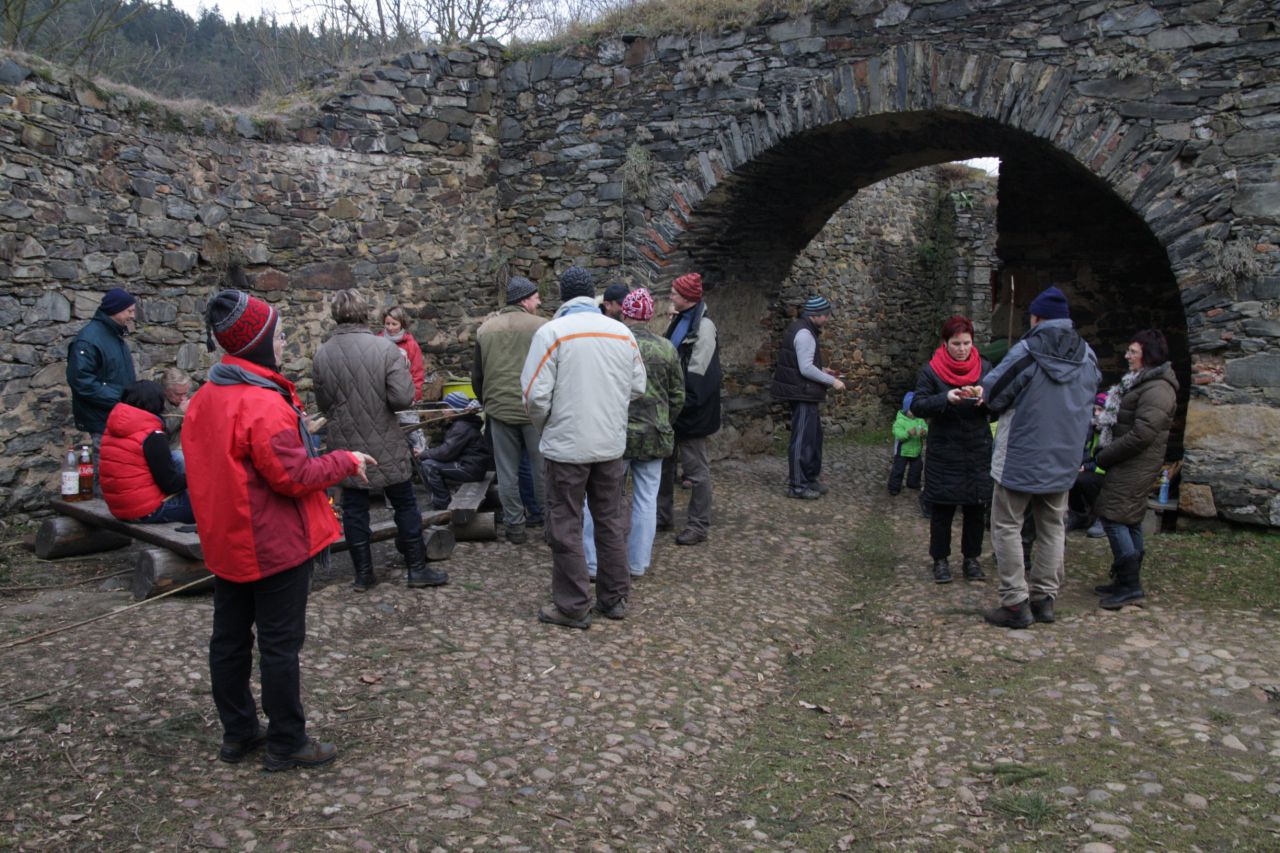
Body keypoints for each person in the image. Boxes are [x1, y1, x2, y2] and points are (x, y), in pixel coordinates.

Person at [185, 280, 375, 772]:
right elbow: (293, 476)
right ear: (257, 342)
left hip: (228, 538)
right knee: (279, 645)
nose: (285, 342)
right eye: (280, 334)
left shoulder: (206, 396)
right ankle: (287, 741)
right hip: (270, 542)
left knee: (229, 640)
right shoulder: (261, 402)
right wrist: (344, 460)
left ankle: (238, 732)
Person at [522, 266, 646, 629]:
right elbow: (637, 386)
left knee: (565, 522)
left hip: (566, 448)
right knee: (610, 519)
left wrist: (547, 427)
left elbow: (534, 396)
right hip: (609, 445)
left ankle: (574, 604)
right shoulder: (622, 332)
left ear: (562, 296)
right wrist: (609, 410)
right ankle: (615, 597)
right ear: (592, 295)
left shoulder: (552, 333)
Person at [981, 286, 1100, 628]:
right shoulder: (1088, 356)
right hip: (1064, 458)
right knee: (1052, 527)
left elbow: (993, 392)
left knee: (1007, 526)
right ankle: (1044, 599)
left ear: (1036, 318)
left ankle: (1015, 603)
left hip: (1021, 455)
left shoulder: (1027, 351)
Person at [314, 289, 447, 591]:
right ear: (364, 311)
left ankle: (363, 575)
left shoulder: (323, 353)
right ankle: (416, 569)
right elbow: (402, 398)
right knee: (404, 503)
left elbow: (324, 404)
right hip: (385, 438)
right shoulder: (384, 349)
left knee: (354, 508)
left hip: (346, 441)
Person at [583, 288, 685, 580]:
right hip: (654, 433)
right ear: (650, 315)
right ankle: (637, 563)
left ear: (624, 313)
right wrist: (664, 420)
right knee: (646, 500)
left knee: (600, 498)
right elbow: (678, 395)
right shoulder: (666, 348)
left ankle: (593, 562)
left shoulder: (613, 343)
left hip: (617, 434)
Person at [1091, 329, 1179, 610]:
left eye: (1133, 352)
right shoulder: (1143, 383)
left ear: (1148, 355)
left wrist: (1106, 455)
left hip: (1136, 463)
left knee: (1113, 517)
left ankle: (1130, 585)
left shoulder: (1158, 389)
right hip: (1130, 462)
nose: (1127, 356)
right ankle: (1126, 580)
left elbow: (1143, 434)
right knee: (1128, 519)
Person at [910, 316, 993, 583]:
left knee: (975, 509)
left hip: (977, 448)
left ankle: (971, 559)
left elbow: (1000, 402)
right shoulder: (931, 371)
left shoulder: (985, 368)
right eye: (956, 343)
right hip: (944, 449)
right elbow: (918, 405)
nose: (962, 348)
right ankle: (940, 560)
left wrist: (985, 399)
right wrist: (945, 398)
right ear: (945, 343)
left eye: (966, 343)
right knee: (942, 509)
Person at [473, 276, 547, 544]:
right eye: (536, 298)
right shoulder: (543, 327)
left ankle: (515, 527)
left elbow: (477, 376)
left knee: (507, 473)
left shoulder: (485, 330)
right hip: (535, 410)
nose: (539, 302)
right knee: (543, 471)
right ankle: (551, 526)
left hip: (499, 409)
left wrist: (487, 402)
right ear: (525, 300)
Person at [658, 272, 722, 545]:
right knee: (664, 466)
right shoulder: (681, 319)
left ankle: (698, 525)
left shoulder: (704, 328)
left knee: (696, 471)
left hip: (691, 412)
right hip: (674, 408)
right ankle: (662, 516)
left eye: (675, 292)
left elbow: (699, 375)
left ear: (687, 297)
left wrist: (682, 406)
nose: (670, 296)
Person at [770, 294, 846, 499]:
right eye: (825, 315)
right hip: (802, 393)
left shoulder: (804, 329)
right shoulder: (805, 333)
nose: (827, 318)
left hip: (805, 392)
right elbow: (805, 369)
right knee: (802, 440)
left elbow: (803, 364)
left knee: (813, 438)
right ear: (815, 315)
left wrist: (822, 369)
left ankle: (810, 479)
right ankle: (797, 486)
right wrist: (832, 381)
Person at [66, 287, 137, 481]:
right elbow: (82, 382)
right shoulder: (89, 340)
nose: (133, 316)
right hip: (102, 416)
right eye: (129, 311)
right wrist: (121, 397)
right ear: (115, 310)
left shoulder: (113, 335)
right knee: (105, 469)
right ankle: (100, 499)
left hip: (117, 413)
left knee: (116, 467)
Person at [99, 380, 194, 524]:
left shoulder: (112, 427)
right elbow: (171, 485)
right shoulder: (152, 435)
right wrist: (197, 476)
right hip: (146, 511)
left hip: (119, 507)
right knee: (207, 506)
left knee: (176, 457)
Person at [420, 392, 492, 510]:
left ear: (455, 409)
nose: (443, 411)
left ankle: (442, 505)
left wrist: (423, 453)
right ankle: (442, 501)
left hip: (470, 468)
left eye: (446, 408)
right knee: (430, 463)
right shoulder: (463, 423)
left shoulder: (461, 426)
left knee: (429, 465)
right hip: (474, 467)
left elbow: (445, 453)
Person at [379, 305, 429, 457]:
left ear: (402, 324)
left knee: (413, 432)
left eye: (394, 324)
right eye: (387, 324)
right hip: (382, 396)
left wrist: (415, 396)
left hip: (405, 395)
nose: (390, 328)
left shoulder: (410, 345)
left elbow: (417, 373)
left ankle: (422, 460)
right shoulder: (378, 341)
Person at [888, 391, 927, 496]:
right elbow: (898, 434)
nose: (914, 413)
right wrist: (907, 433)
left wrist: (924, 432)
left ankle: (913, 483)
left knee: (916, 468)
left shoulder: (920, 420)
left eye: (916, 410)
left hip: (916, 450)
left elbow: (925, 429)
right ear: (906, 409)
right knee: (898, 469)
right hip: (902, 451)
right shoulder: (900, 421)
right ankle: (894, 487)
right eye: (911, 410)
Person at [159, 366, 193, 447]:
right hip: (173, 447)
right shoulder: (157, 402)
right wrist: (180, 411)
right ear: (166, 391)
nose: (183, 398)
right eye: (178, 394)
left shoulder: (189, 395)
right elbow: (163, 430)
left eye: (185, 393)